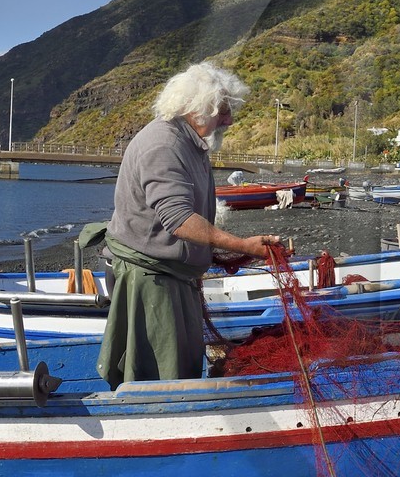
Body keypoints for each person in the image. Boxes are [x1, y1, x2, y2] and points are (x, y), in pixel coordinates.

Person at [97, 62, 281, 388]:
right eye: (222, 111)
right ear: (197, 109)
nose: (229, 120)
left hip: (173, 274)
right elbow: (178, 219)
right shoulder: (163, 145)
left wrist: (214, 252)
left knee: (182, 363)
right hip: (149, 279)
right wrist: (242, 245)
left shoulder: (192, 143)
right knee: (159, 376)